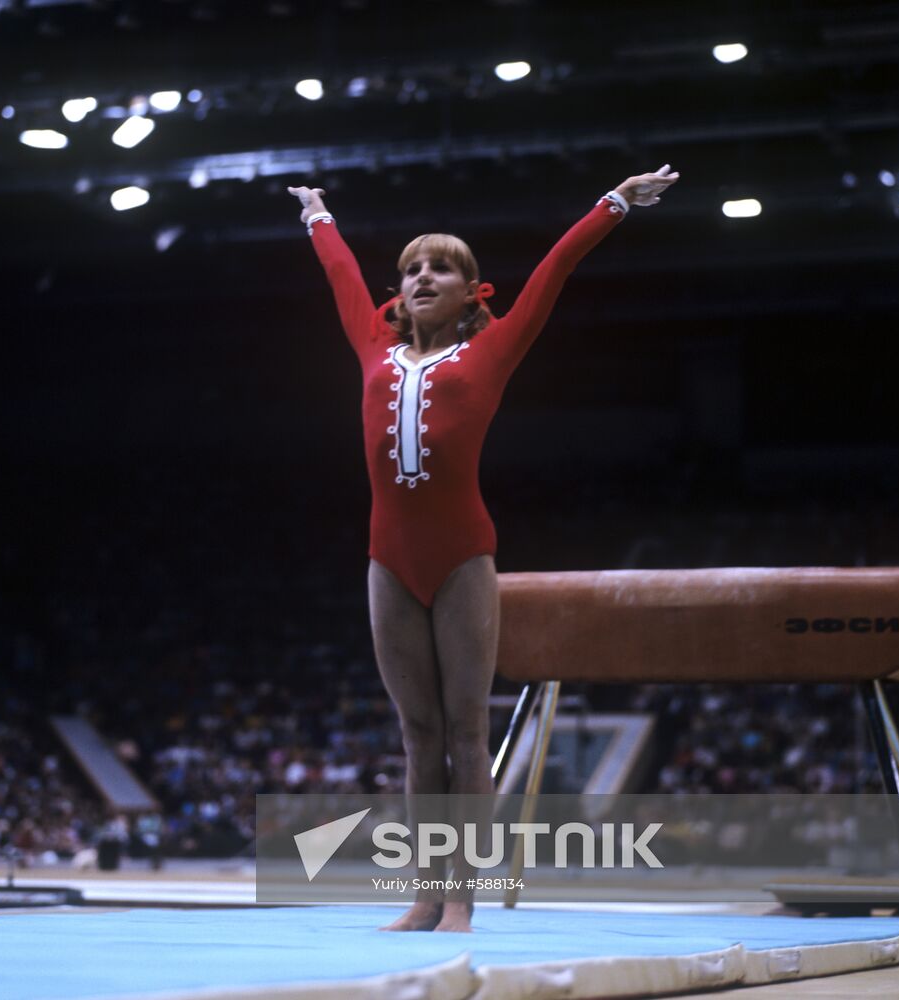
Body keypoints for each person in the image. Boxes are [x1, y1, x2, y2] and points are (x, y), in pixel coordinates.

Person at [288, 165, 679, 932]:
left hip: (464, 556)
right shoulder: (373, 343)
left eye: (439, 266)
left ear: (472, 291)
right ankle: (423, 894)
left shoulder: (494, 350)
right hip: (387, 561)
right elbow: (338, 274)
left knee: (466, 729)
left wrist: (614, 204)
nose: (420, 275)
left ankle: (462, 898)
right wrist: (317, 215)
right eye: (409, 268)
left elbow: (553, 270)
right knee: (417, 733)